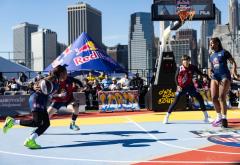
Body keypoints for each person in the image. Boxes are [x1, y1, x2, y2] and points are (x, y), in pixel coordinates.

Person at [3, 65, 67, 149]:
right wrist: (35, 85)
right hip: (37, 99)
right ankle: (13, 121)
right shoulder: (53, 77)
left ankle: (30, 140)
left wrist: (59, 95)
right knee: (36, 122)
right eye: (66, 73)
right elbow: (40, 82)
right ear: (61, 73)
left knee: (46, 124)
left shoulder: (56, 81)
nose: (66, 75)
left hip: (41, 101)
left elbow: (49, 92)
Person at [163, 55, 210, 124]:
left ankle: (206, 117)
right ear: (182, 61)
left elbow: (200, 73)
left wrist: (205, 77)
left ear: (189, 61)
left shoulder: (193, 67)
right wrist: (178, 86)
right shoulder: (180, 68)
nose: (186, 62)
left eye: (187, 60)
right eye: (184, 60)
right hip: (181, 88)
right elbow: (175, 78)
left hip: (190, 87)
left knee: (200, 98)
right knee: (175, 102)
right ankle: (166, 117)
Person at [209, 37, 238, 128]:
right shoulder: (211, 55)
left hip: (224, 76)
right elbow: (212, 66)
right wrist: (210, 71)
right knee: (213, 98)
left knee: (221, 97)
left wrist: (234, 71)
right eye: (210, 44)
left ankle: (224, 118)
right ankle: (219, 117)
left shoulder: (224, 52)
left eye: (212, 43)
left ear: (217, 43)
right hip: (215, 77)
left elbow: (233, 62)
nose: (211, 45)